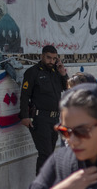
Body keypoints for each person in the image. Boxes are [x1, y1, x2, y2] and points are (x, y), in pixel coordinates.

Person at [19, 45, 69, 174]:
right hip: (39, 119)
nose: (51, 61)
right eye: (48, 58)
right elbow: (25, 95)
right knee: (45, 154)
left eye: (54, 58)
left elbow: (68, 88)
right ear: (42, 56)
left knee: (50, 154)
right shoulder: (33, 72)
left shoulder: (56, 73)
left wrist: (63, 74)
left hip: (54, 119)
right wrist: (24, 116)